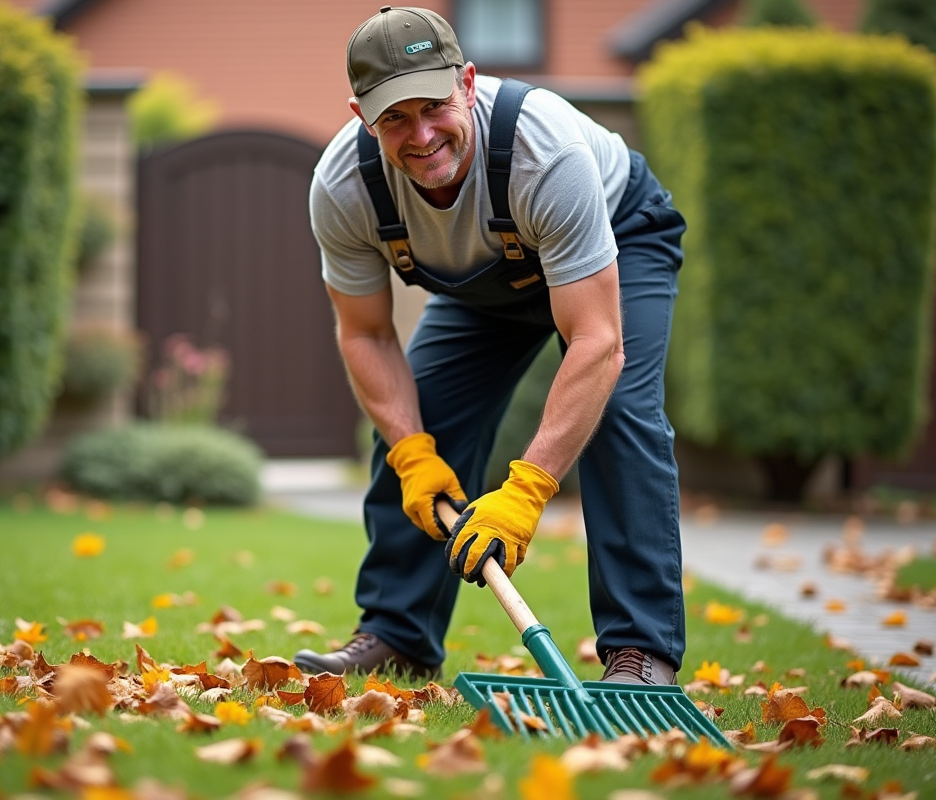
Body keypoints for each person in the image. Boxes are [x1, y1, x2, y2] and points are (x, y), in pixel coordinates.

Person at [293, 6, 687, 686]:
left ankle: (641, 652)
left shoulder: (547, 153)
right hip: (489, 286)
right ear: (361, 116)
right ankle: (399, 635)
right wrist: (412, 454)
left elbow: (596, 341)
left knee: (619, 411)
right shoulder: (343, 186)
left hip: (619, 237)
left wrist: (527, 491)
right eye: (394, 118)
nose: (420, 136)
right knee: (417, 426)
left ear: (468, 84)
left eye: (433, 106)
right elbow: (365, 332)